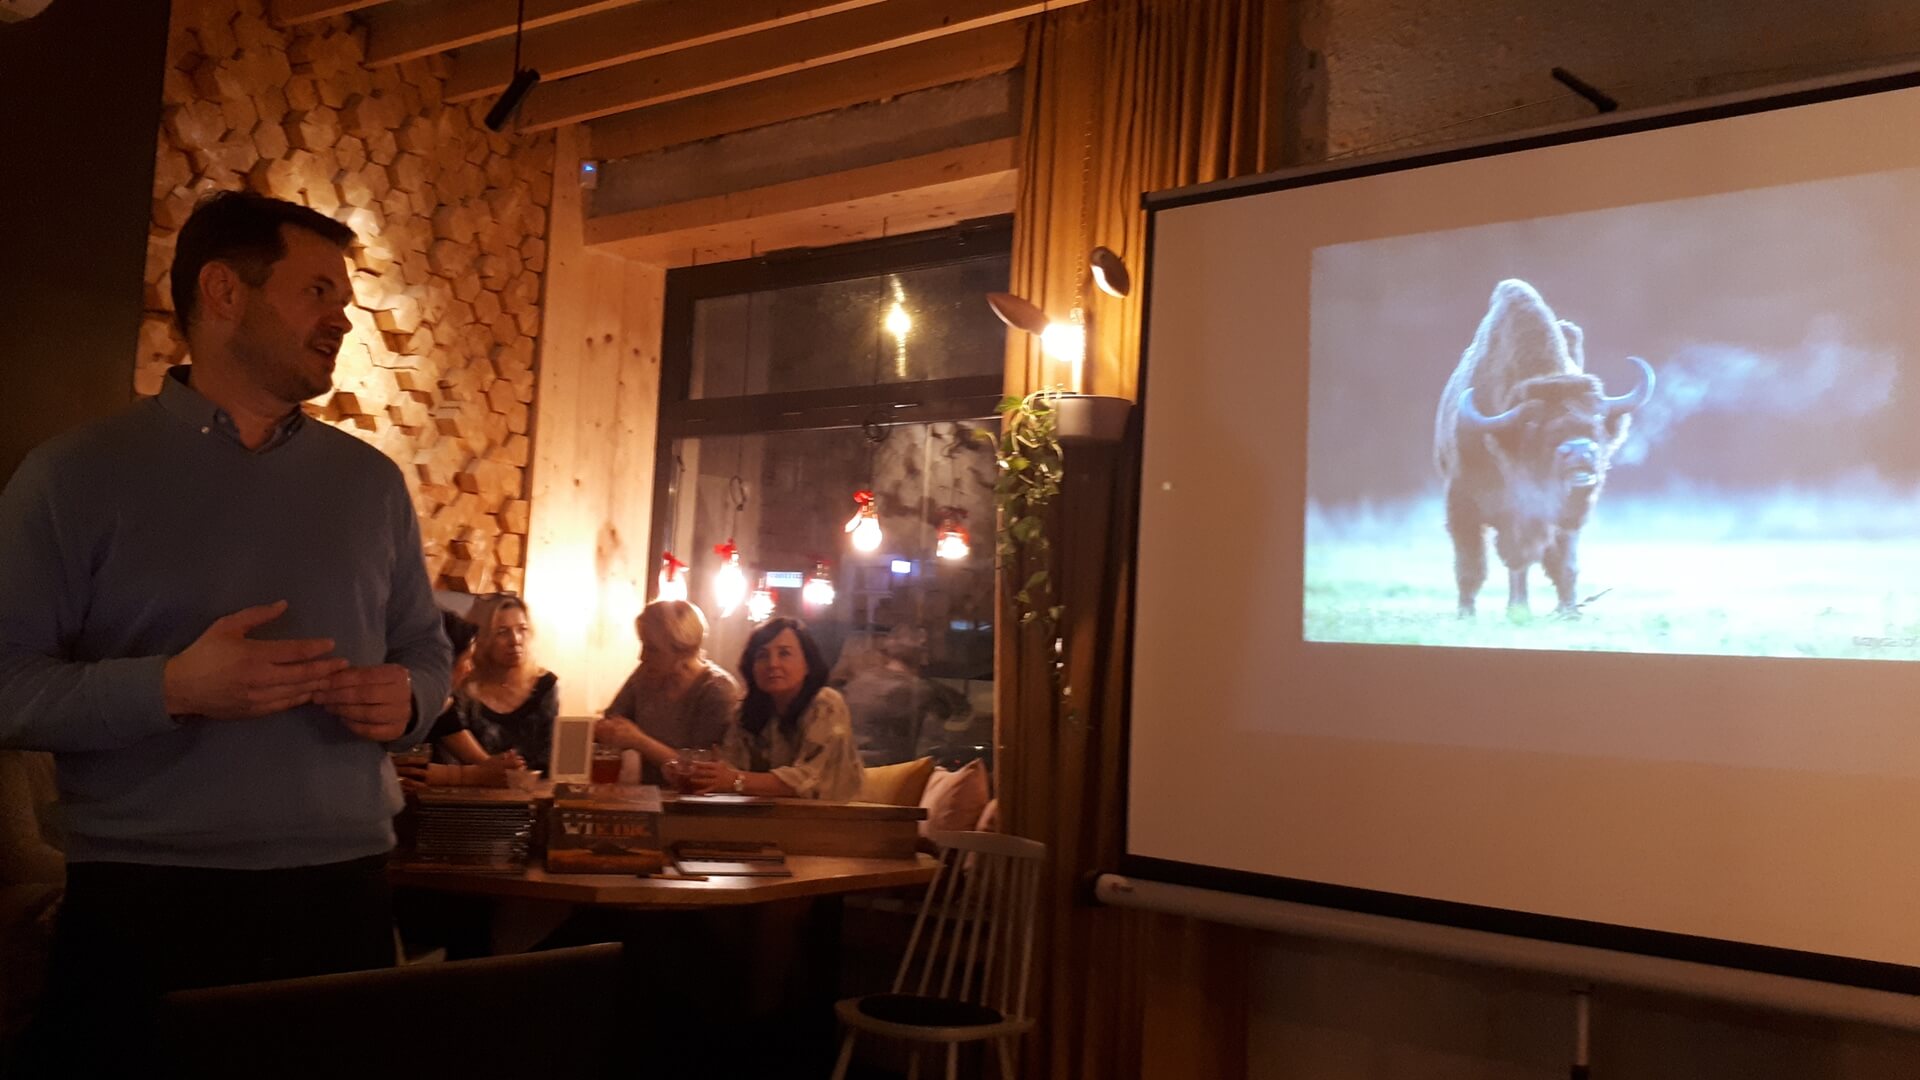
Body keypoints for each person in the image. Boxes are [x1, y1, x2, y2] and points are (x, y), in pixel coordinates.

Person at [0, 191, 452, 1071]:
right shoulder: (73, 476)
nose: (343, 316)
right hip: (145, 905)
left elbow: (425, 654)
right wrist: (172, 688)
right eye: (318, 290)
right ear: (223, 290)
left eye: (345, 297)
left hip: (345, 896)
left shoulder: (372, 485)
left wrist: (410, 700)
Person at [686, 617, 863, 800]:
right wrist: (697, 775)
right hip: (770, 819)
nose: (773, 664)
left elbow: (811, 780)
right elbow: (730, 765)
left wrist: (735, 780)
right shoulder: (748, 711)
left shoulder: (826, 704)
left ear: (807, 664)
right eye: (762, 656)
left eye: (784, 654)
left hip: (835, 821)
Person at [594, 599, 740, 784]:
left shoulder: (716, 690)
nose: (642, 656)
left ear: (682, 651)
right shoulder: (644, 676)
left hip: (691, 803)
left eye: (652, 649)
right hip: (643, 798)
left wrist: (640, 741)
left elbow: (700, 770)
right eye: (643, 644)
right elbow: (612, 722)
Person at [430, 594, 558, 774]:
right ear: (481, 638)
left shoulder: (545, 685)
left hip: (534, 791)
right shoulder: (457, 686)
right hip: (464, 796)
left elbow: (553, 757)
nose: (515, 640)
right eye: (502, 632)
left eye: (522, 629)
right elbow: (475, 764)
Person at [396, 610, 524, 790]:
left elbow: (481, 763)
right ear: (444, 662)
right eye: (467, 659)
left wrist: (502, 765)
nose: (470, 668)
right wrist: (469, 776)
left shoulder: (442, 703)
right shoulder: (403, 700)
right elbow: (404, 771)